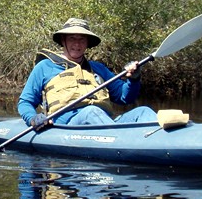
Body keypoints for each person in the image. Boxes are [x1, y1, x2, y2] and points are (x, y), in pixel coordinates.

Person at [18, 17, 157, 128]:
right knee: (91, 112)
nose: (77, 44)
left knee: (143, 111)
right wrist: (33, 118)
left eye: (82, 39)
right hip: (67, 126)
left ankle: (164, 139)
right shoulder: (45, 67)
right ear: (63, 40)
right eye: (72, 38)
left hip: (103, 122)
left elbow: (124, 97)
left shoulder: (98, 68)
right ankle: (119, 140)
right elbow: (25, 102)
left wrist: (134, 79)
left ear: (87, 43)